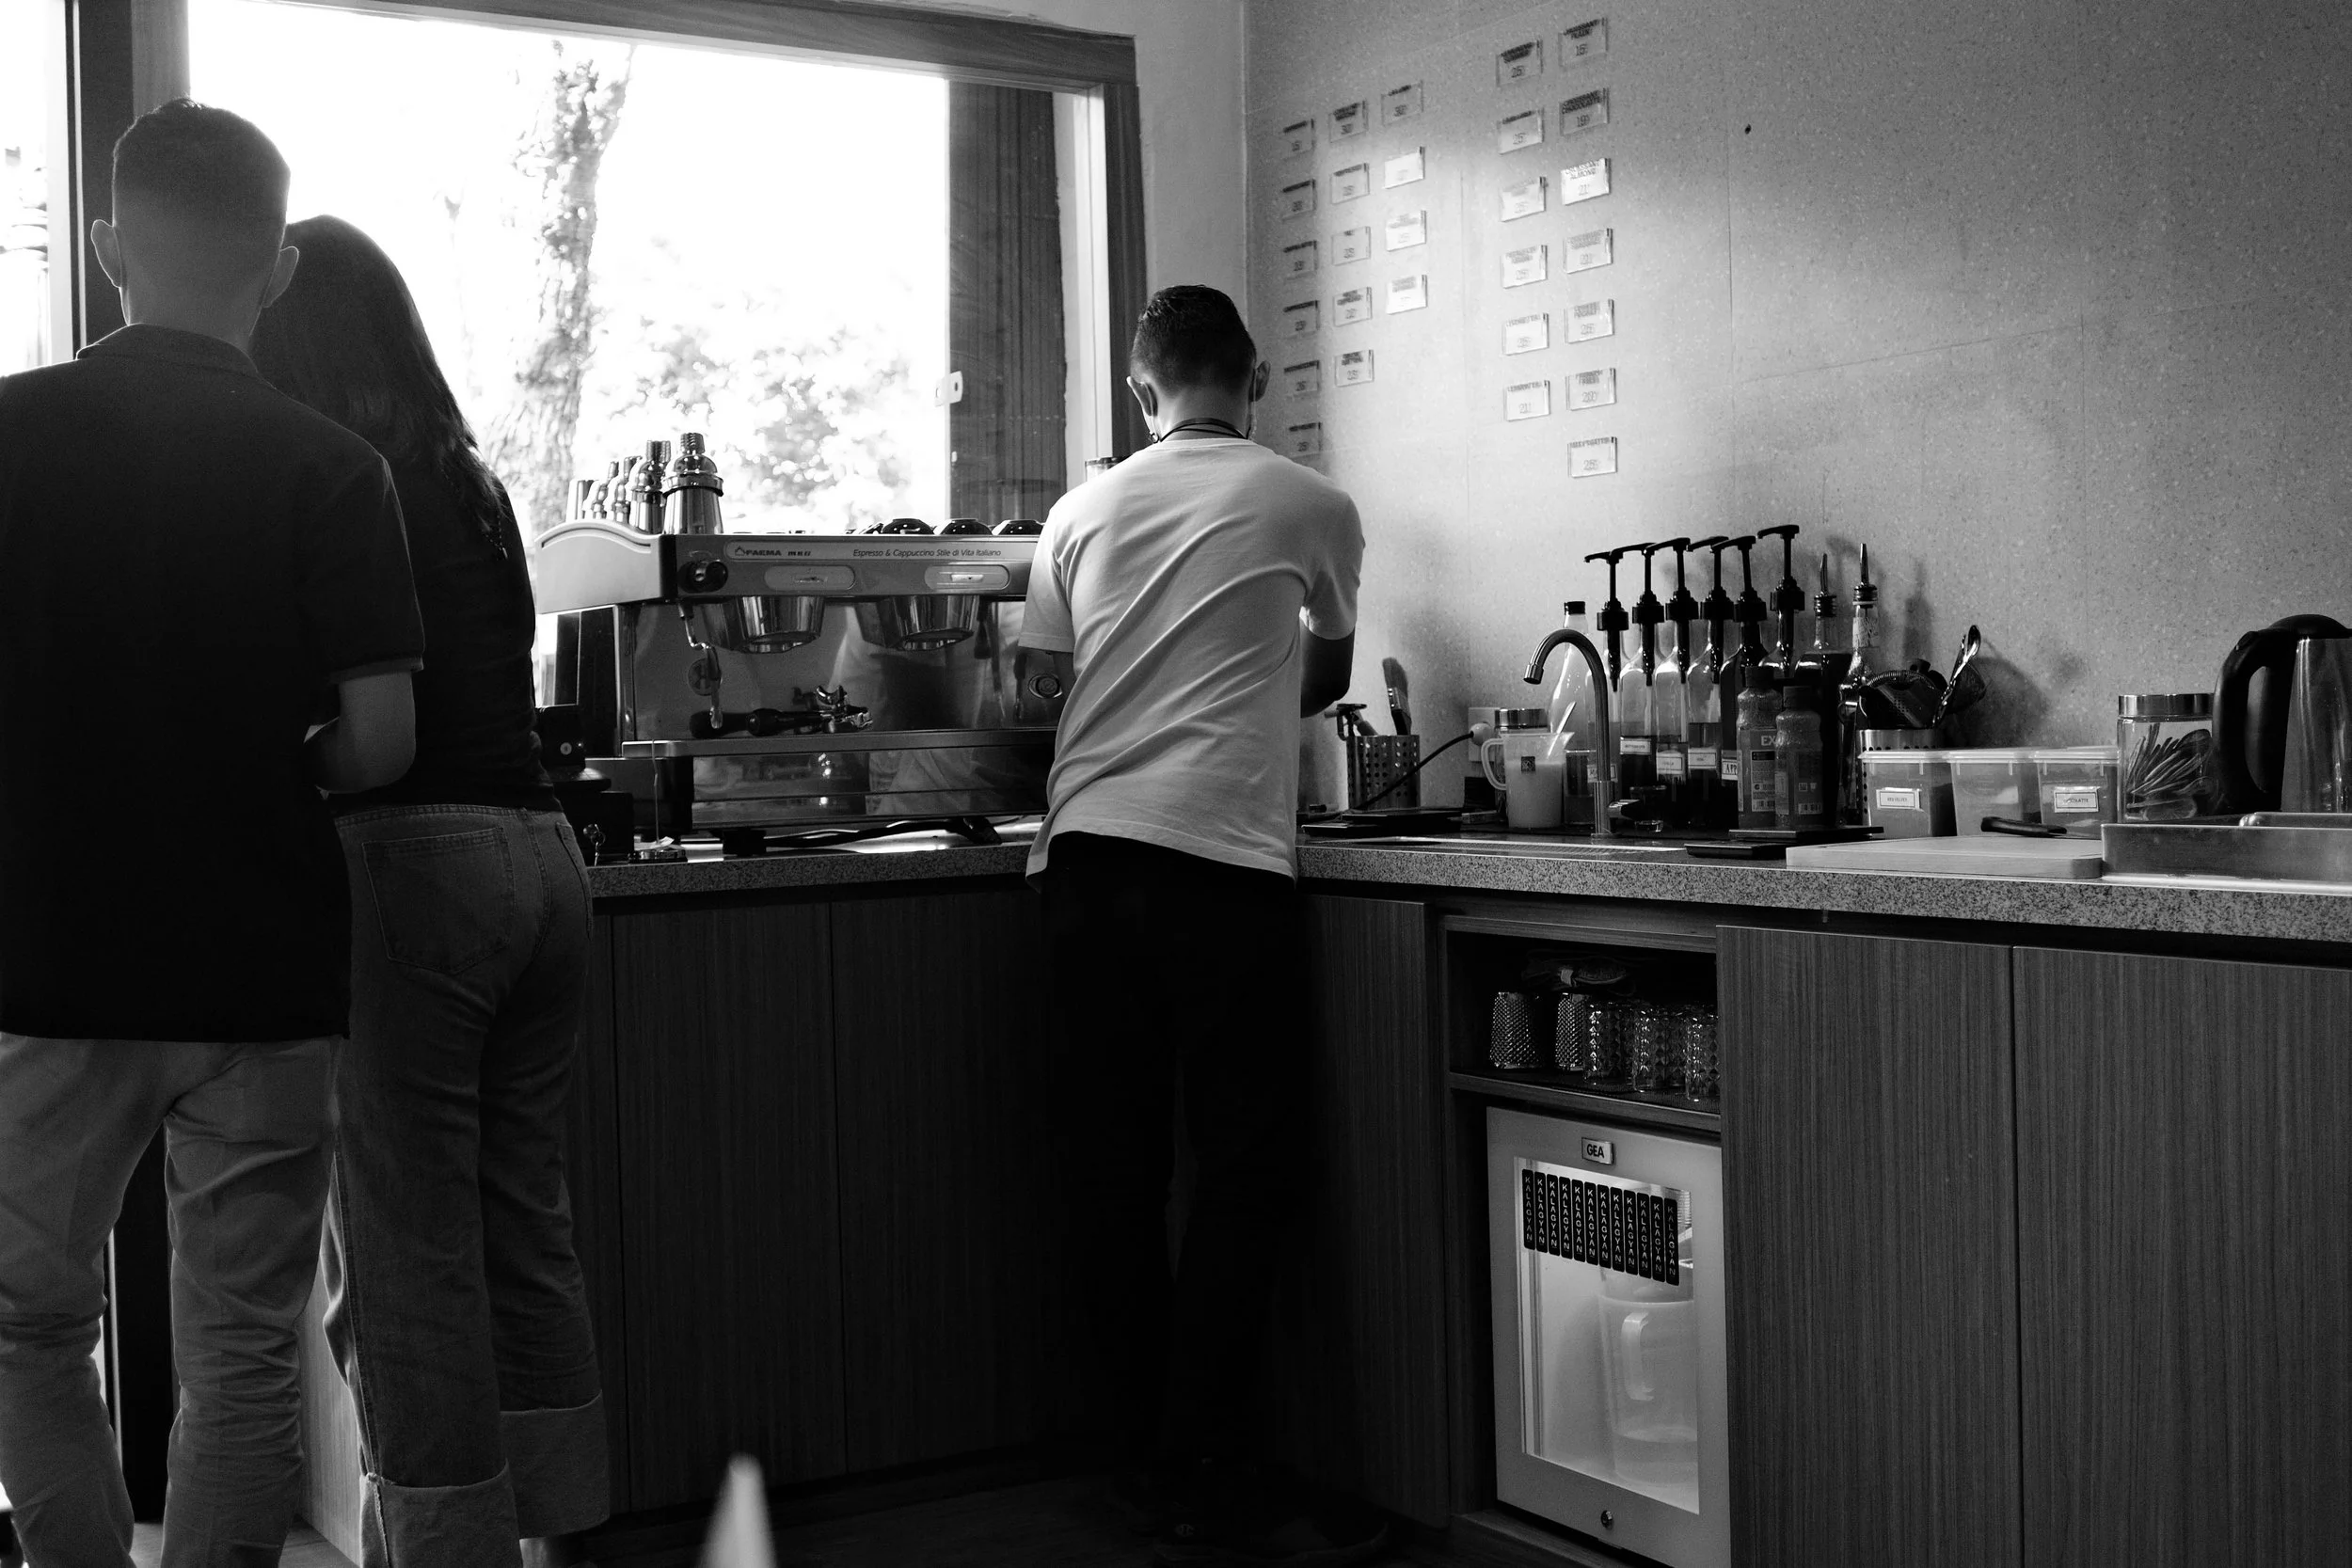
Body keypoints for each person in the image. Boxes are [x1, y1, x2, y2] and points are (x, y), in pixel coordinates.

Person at [0, 102, 423, 1566]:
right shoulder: (330, 469)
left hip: (49, 959)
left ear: (109, 248)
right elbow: (381, 741)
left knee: (25, 1324)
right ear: (281, 268)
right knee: (242, 1349)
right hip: (261, 969)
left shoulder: (5, 434)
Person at [249, 215, 608, 1568]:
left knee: (410, 1262)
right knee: (526, 1224)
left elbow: (369, 733)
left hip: (412, 869)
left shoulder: (334, 479)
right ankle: (560, 1540)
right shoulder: (469, 478)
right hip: (540, 857)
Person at [1020, 285, 1377, 1565]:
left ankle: (1143, 1461)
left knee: (1109, 1178)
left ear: (1139, 389)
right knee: (1245, 1172)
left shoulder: (1076, 512)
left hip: (1085, 864)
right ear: (1260, 379)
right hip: (1224, 871)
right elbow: (1325, 678)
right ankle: (1201, 1459)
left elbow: (1048, 680)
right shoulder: (1311, 502)